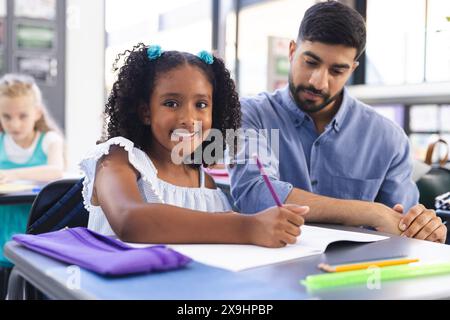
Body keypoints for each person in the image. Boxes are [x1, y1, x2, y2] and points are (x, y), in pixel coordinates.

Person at [228, 1, 447, 243]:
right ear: (292, 51)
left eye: (337, 71)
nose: (318, 82)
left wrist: (425, 229)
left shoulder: (389, 139)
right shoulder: (249, 114)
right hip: (265, 269)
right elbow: (253, 194)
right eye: (310, 62)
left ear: (352, 69)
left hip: (359, 274)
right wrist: (369, 211)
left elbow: (403, 228)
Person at [80, 43, 309, 248]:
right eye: (171, 103)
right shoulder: (119, 158)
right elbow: (130, 220)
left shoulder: (204, 184)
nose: (188, 119)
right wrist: (247, 227)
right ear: (145, 112)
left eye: (201, 104)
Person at [0, 74, 64, 269]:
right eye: (6, 116)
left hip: (34, 228)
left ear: (37, 113)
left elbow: (55, 171)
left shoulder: (50, 140)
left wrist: (13, 174)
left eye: (23, 116)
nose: (15, 124)